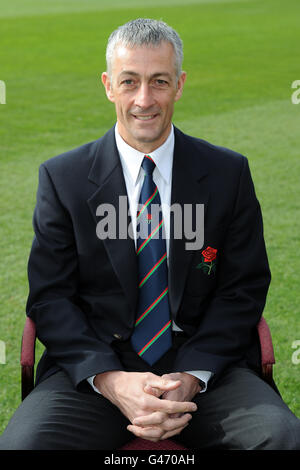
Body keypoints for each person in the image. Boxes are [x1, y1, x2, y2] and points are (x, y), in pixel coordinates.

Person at [0, 18, 299, 451]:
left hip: (205, 370)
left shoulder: (227, 174)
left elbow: (242, 288)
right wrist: (111, 379)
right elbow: (50, 297)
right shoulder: (63, 179)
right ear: (108, 85)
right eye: (129, 82)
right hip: (96, 376)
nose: (144, 99)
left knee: (283, 437)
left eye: (159, 81)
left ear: (179, 85)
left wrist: (191, 377)